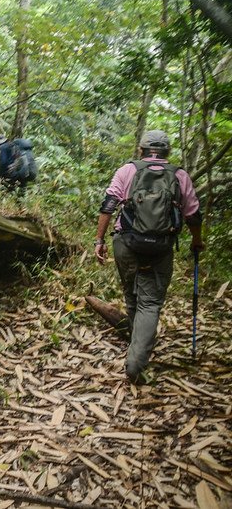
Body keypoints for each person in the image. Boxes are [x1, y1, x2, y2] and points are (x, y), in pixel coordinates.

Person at [94, 130, 204, 384]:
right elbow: (193, 215)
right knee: (150, 303)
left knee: (132, 296)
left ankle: (136, 352)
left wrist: (99, 241)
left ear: (141, 149)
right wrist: (197, 242)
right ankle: (136, 360)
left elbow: (108, 205)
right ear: (168, 153)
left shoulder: (127, 171)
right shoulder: (179, 175)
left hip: (127, 243)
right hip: (161, 247)